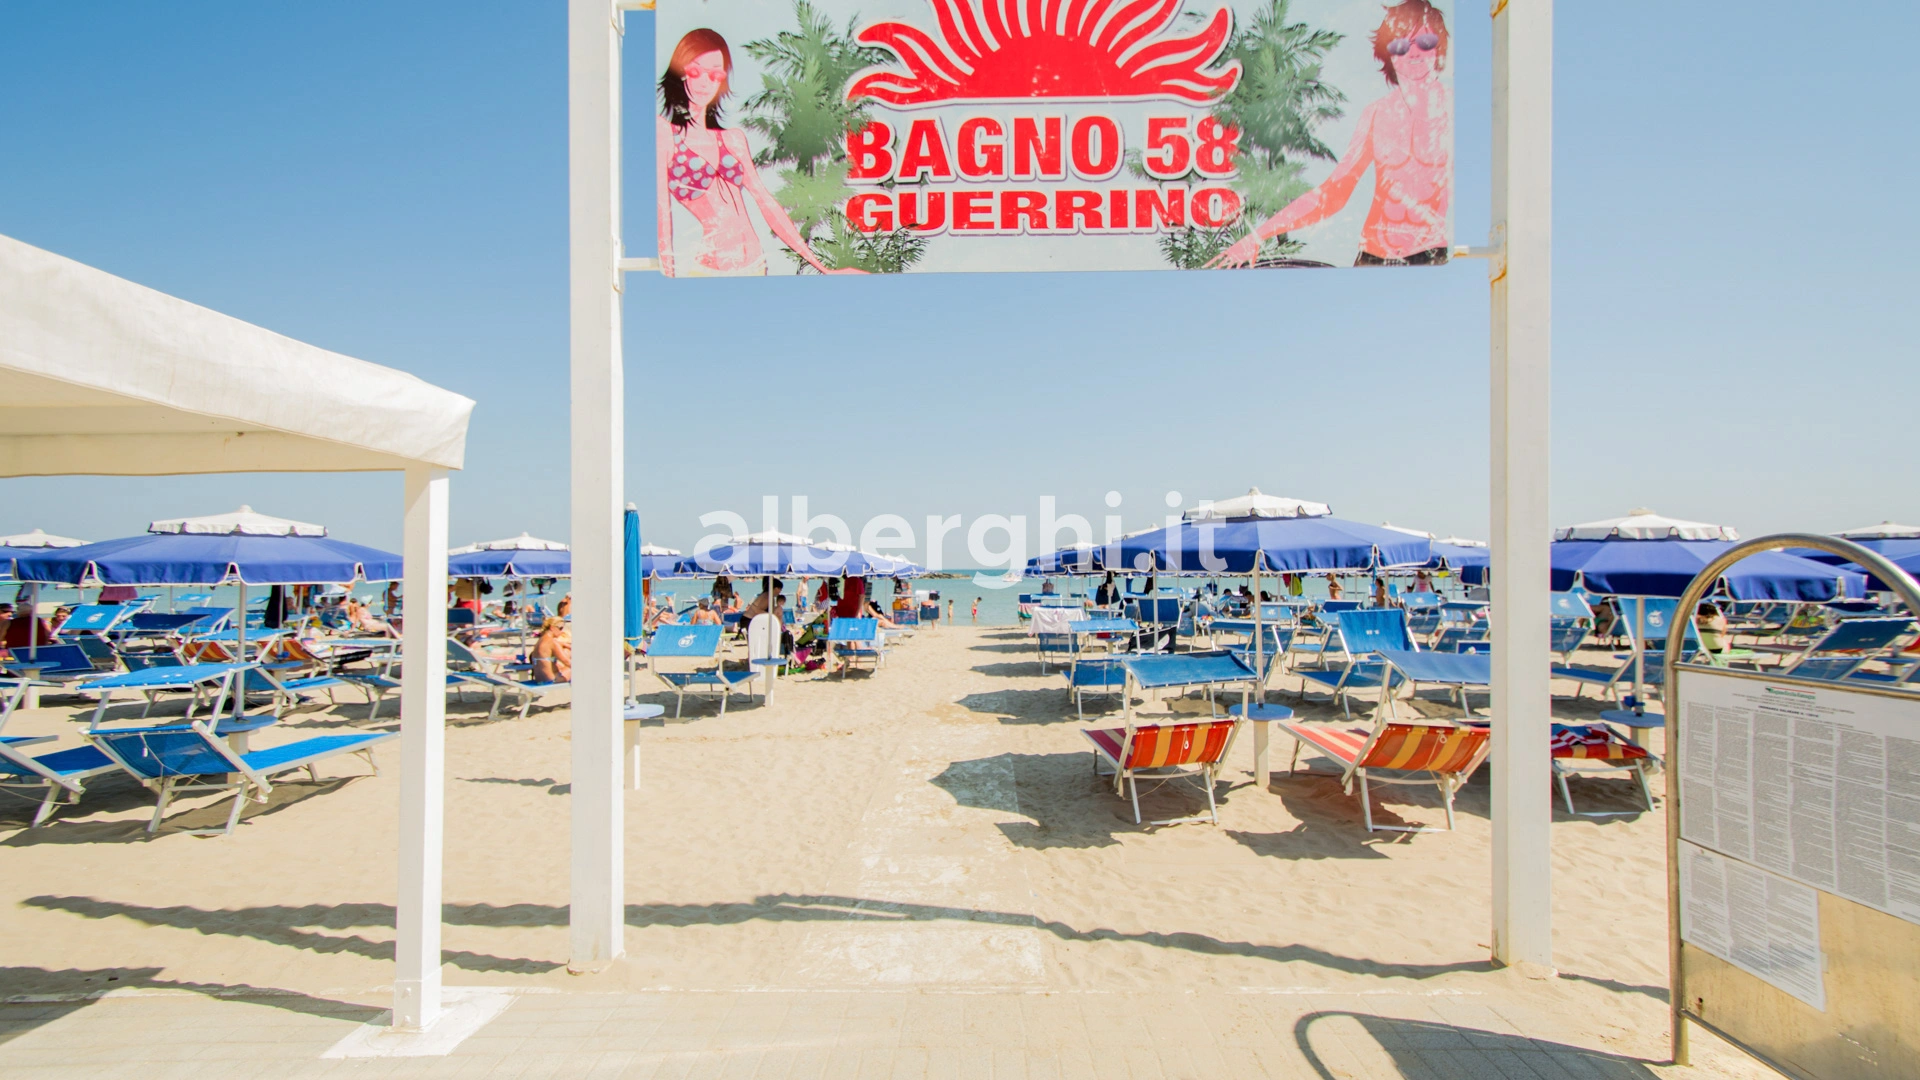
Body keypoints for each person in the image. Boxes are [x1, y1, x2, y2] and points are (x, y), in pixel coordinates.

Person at [1209, 0, 1451, 269]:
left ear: (1439, 45)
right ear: (1389, 53)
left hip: (1430, 255)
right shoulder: (1377, 114)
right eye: (1401, 46)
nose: (1413, 53)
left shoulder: (1453, 109)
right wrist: (1258, 236)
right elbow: (1334, 192)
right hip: (1374, 256)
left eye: (1425, 42)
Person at [656, 29, 865, 278]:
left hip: (755, 265)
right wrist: (667, 278)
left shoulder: (732, 139)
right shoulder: (666, 133)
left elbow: (766, 203)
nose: (704, 83)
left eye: (714, 75)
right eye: (695, 72)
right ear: (680, 73)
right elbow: (662, 213)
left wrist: (823, 268)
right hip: (710, 270)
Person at [530, 617, 572, 682]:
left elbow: (559, 644)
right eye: (560, 628)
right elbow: (567, 662)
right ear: (552, 628)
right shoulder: (552, 642)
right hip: (550, 681)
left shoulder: (541, 640)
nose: (562, 631)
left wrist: (565, 645)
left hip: (539, 680)